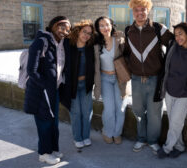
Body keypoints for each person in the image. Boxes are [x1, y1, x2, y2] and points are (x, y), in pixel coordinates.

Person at [124, 0, 173, 154]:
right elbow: (126, 53)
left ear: (148, 10)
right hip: (136, 80)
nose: (140, 13)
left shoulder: (159, 28)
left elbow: (175, 44)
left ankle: (152, 141)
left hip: (155, 79)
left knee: (154, 113)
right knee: (138, 111)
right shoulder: (128, 30)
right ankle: (141, 138)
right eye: (136, 10)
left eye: (143, 9)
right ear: (132, 12)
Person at [24, 16, 71, 165]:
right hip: (41, 91)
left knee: (54, 122)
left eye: (67, 27)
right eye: (61, 26)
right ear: (52, 26)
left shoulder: (61, 43)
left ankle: (53, 149)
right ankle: (44, 153)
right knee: (44, 122)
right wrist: (44, 85)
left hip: (54, 90)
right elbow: (31, 70)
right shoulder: (41, 42)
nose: (64, 30)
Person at [156, 23, 187, 159]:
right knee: (174, 121)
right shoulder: (173, 45)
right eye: (176, 34)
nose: (178, 37)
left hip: (185, 92)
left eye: (181, 34)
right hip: (169, 89)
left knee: (175, 122)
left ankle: (167, 148)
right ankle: (179, 146)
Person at [93, 16, 128, 145]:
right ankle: (108, 131)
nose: (105, 28)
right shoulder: (95, 43)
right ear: (98, 28)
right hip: (105, 78)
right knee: (109, 108)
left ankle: (117, 133)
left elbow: (128, 56)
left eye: (107, 24)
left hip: (120, 78)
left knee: (120, 108)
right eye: (101, 25)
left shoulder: (120, 39)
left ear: (112, 25)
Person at [68, 20, 95, 149]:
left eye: (89, 33)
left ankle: (86, 136)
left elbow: (106, 35)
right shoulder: (68, 46)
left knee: (87, 111)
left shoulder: (90, 48)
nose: (86, 35)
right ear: (78, 31)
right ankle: (77, 138)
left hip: (86, 84)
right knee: (76, 113)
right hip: (72, 85)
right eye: (84, 32)